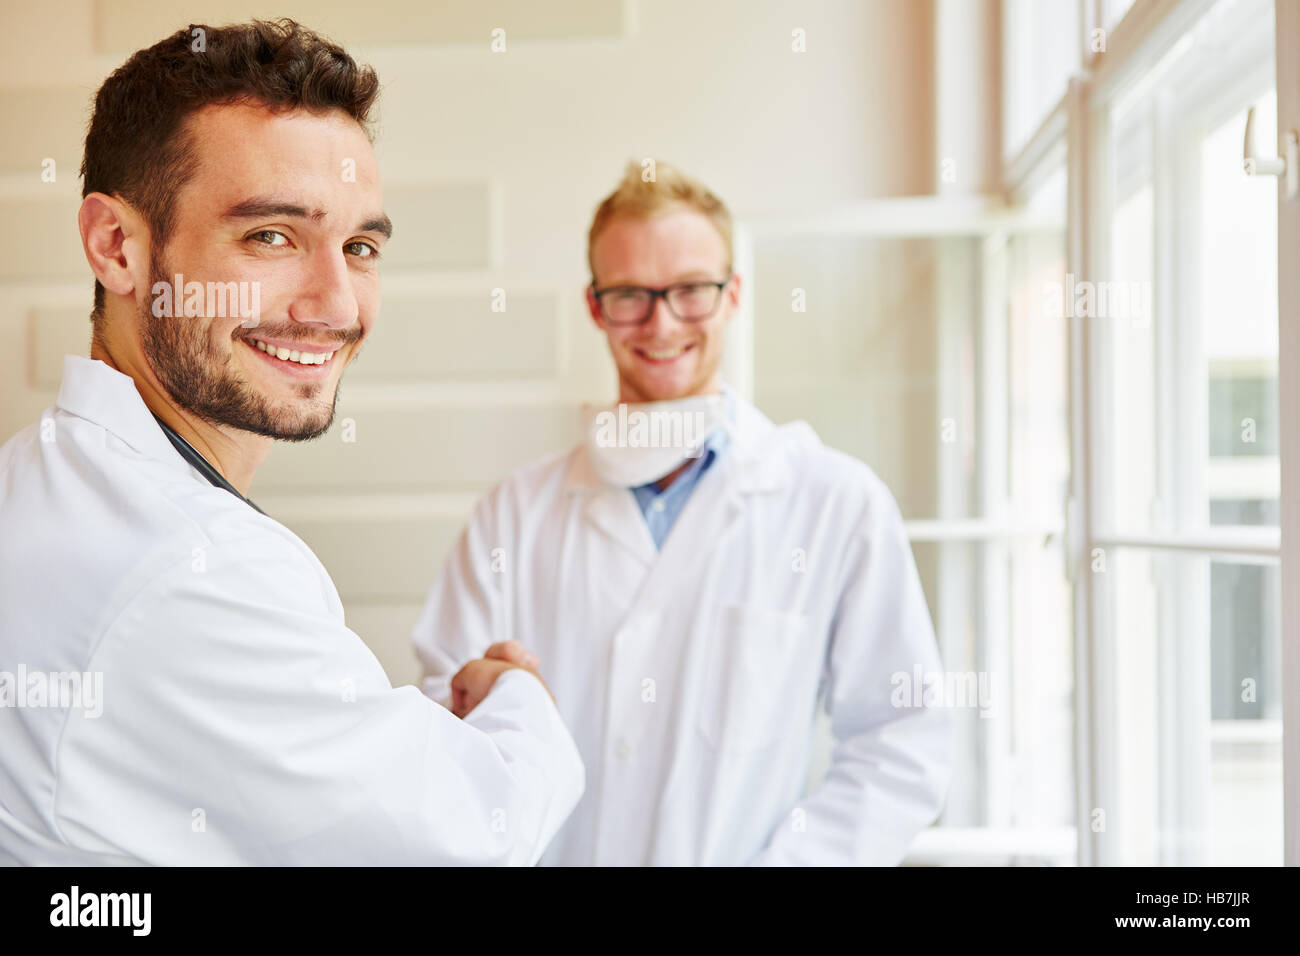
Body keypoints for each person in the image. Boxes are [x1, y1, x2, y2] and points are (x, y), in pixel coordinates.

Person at [0, 19, 582, 865]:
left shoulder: (41, 480)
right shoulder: (193, 569)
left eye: (359, 247)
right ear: (116, 246)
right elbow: (473, 840)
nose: (335, 304)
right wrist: (515, 701)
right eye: (270, 236)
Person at [413, 161, 953, 865]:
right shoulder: (513, 515)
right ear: (595, 306)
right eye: (631, 294)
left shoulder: (836, 505)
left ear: (732, 297)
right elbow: (444, 725)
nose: (662, 322)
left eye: (691, 291)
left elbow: (901, 737)